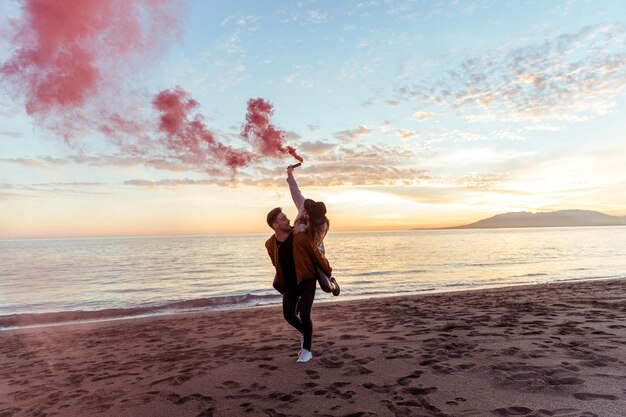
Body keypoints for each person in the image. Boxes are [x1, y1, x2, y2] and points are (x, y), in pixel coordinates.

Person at [265, 207, 332, 363]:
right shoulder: (270, 244)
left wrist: (329, 273)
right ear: (275, 225)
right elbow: (275, 262)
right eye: (283, 218)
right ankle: (305, 333)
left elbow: (317, 255)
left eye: (286, 217)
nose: (288, 219)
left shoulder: (300, 237)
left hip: (307, 280)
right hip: (289, 284)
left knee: (304, 313)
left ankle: (306, 350)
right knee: (288, 314)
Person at [286, 165, 340, 296]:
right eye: (306, 212)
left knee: (326, 287)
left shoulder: (322, 226)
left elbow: (311, 244)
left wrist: (301, 229)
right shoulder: (304, 206)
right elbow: (295, 191)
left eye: (308, 215)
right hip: (299, 251)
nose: (305, 215)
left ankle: (333, 283)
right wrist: (290, 174)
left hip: (315, 254)